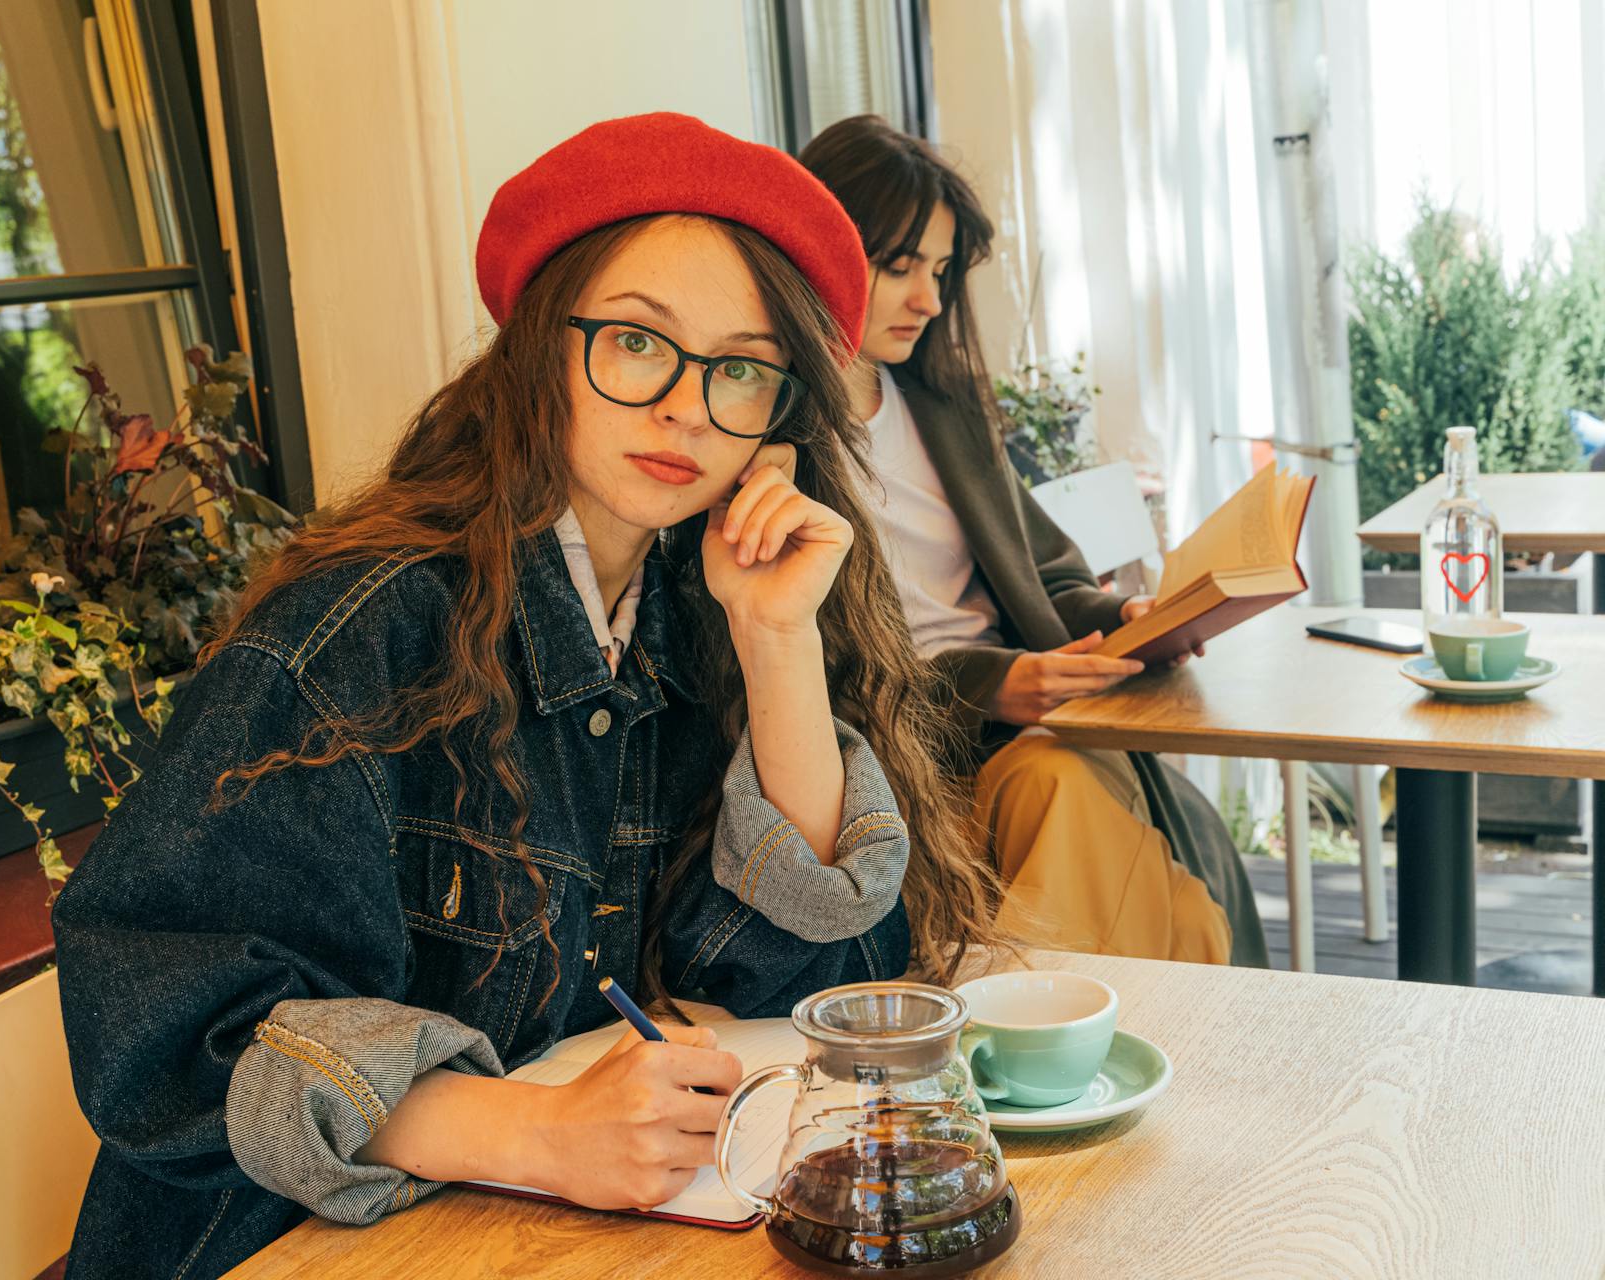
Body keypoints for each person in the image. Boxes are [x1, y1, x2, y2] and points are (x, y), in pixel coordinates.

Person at [50, 113, 1001, 1279]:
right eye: (639, 343)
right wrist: (539, 1131)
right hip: (275, 1246)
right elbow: (157, 1028)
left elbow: (813, 984)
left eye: (742, 368)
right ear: (543, 341)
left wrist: (777, 638)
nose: (689, 407)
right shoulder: (359, 630)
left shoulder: (682, 611)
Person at [800, 115, 1267, 968]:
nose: (928, 300)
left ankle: (1039, 1053)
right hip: (909, 765)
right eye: (898, 266)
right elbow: (813, 674)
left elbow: (1047, 575)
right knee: (1108, 838)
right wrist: (993, 683)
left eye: (938, 272)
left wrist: (1126, 615)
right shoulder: (770, 442)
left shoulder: (942, 409)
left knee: (1063, 785)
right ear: (816, 243)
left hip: (1036, 729)